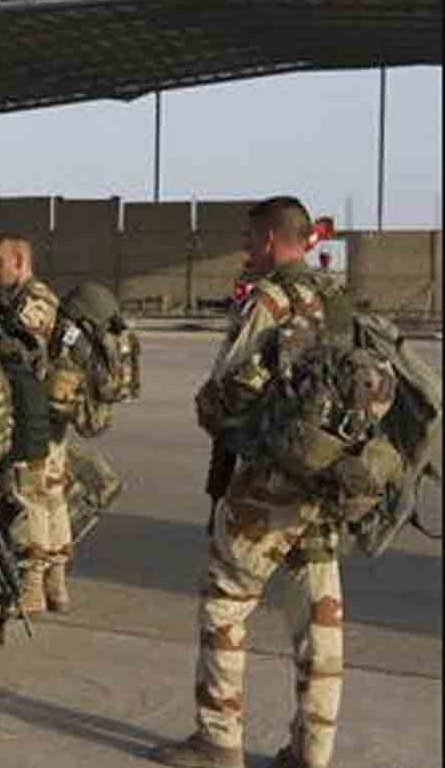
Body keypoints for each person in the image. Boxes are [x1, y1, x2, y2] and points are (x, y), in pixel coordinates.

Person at [153, 197, 346, 768]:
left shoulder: (271, 300)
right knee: (320, 618)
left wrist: (212, 409)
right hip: (326, 478)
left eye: (247, 239)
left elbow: (226, 387)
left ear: (267, 240)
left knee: (225, 601)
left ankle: (219, 740)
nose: (243, 249)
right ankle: (313, 750)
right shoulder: (337, 299)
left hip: (270, 482)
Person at [0, 233, 71, 615]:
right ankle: (57, 581)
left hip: (35, 412)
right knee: (51, 494)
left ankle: (34, 586)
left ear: (19, 262)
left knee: (32, 495)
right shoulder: (22, 301)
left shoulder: (35, 301)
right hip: (48, 410)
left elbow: (24, 354)